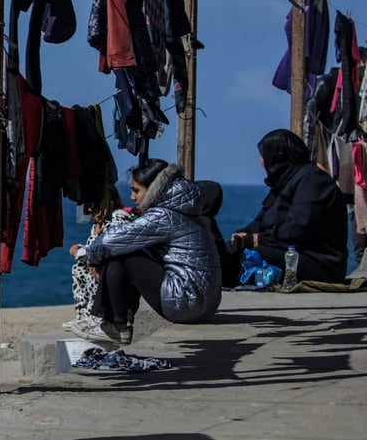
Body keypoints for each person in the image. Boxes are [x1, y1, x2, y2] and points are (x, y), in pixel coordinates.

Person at [71, 159, 222, 346]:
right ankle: (117, 323)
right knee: (127, 248)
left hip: (185, 303)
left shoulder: (163, 215)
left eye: (136, 191)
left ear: (153, 189)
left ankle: (114, 325)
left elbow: (110, 241)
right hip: (204, 303)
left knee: (120, 252)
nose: (132, 197)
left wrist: (90, 256)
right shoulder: (182, 208)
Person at [231, 129, 348, 283]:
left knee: (249, 257)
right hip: (291, 252)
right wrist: (243, 235)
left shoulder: (313, 180)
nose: (262, 161)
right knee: (227, 253)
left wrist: (258, 239)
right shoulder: (286, 181)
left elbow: (298, 229)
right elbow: (261, 221)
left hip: (320, 262)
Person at [64, 195, 134, 333]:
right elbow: (95, 246)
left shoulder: (118, 219)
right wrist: (81, 249)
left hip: (112, 267)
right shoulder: (99, 222)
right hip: (100, 262)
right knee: (79, 269)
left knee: (93, 271)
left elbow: (109, 246)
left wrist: (81, 252)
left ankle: (96, 317)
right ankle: (84, 315)